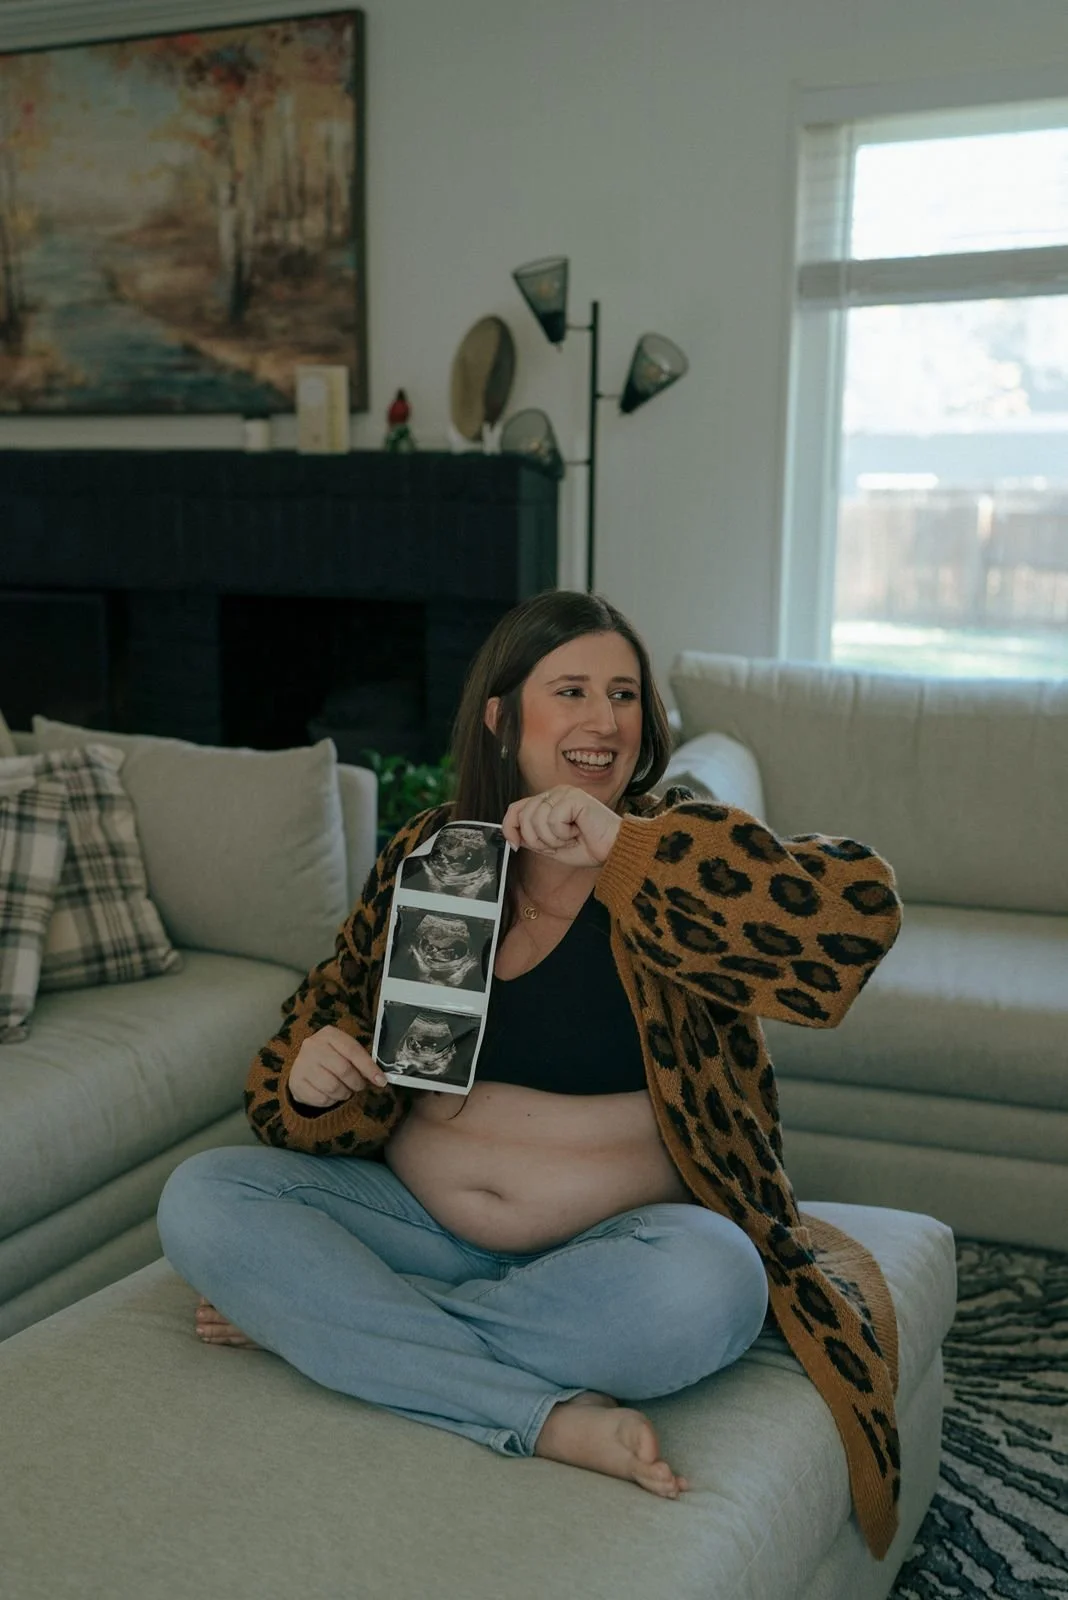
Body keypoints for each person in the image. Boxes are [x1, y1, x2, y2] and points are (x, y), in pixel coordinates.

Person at [156, 590, 905, 1556]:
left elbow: (854, 920)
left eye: (625, 694)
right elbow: (324, 1012)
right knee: (205, 1196)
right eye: (575, 691)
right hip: (417, 1225)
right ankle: (540, 1415)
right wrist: (309, 1078)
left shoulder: (676, 844)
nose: (605, 720)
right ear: (504, 719)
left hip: (619, 1253)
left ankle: (335, 1323)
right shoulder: (440, 855)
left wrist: (620, 847)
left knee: (715, 1286)